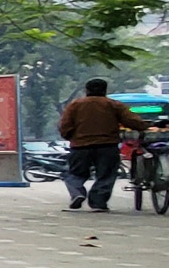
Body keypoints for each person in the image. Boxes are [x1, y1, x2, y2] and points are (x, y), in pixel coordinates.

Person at [59, 78, 149, 212]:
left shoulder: (75, 105)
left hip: (80, 145)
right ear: (105, 90)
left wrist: (70, 136)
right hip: (107, 146)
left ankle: (77, 193)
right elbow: (132, 121)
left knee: (75, 173)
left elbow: (64, 125)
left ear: (87, 90)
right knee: (106, 175)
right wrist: (144, 126)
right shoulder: (113, 104)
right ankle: (98, 203)